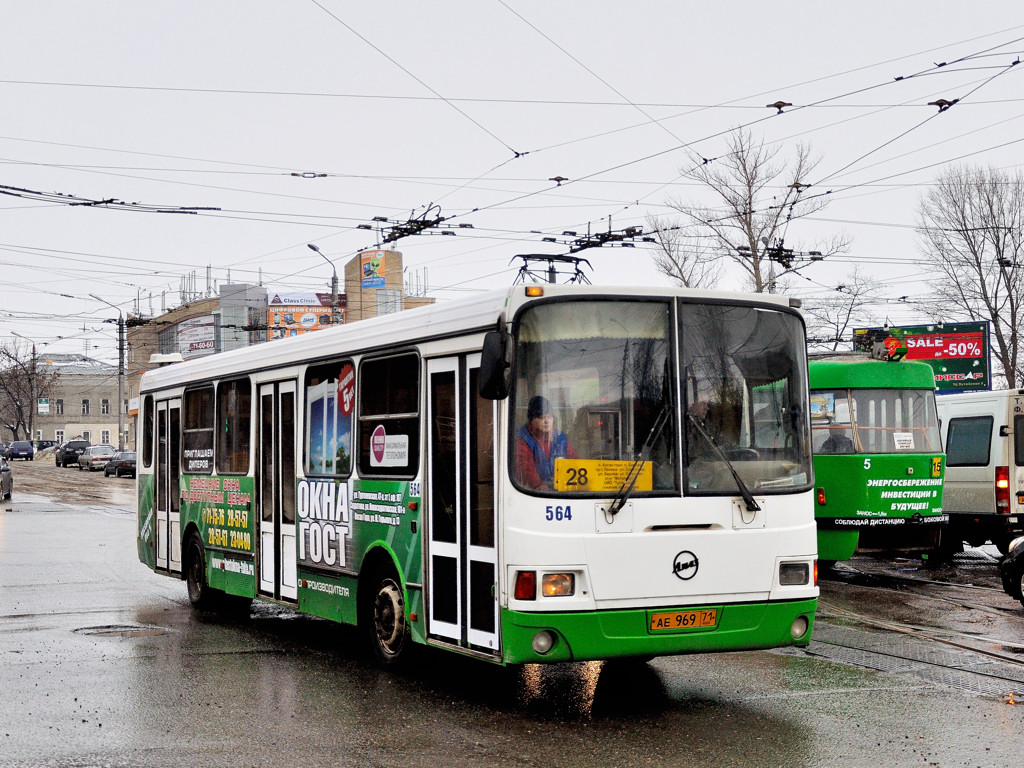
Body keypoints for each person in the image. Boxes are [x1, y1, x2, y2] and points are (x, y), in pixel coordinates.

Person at [515, 395, 577, 490]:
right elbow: (525, 467)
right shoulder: (522, 439)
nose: (546, 421)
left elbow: (574, 460)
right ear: (531, 420)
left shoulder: (561, 438)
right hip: (534, 493)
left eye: (550, 417)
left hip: (562, 489)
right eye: (541, 417)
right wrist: (538, 485)